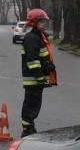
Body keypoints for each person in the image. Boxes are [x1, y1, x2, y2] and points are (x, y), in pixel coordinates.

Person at [20, 8, 57, 137]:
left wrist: (48, 66)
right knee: (31, 105)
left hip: (37, 80)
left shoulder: (38, 37)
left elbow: (41, 58)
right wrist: (40, 76)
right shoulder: (31, 38)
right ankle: (27, 130)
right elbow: (32, 61)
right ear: (34, 22)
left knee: (34, 105)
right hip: (34, 80)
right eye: (41, 21)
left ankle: (30, 127)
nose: (43, 24)